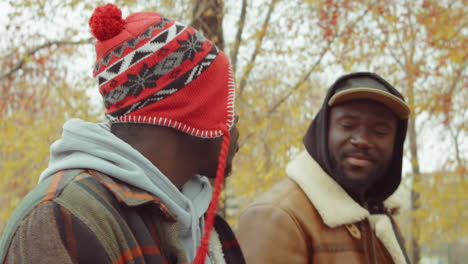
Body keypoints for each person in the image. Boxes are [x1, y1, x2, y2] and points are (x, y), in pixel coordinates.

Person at [0, 4, 245, 264]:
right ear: (191, 112)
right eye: (226, 104)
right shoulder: (61, 218)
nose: (236, 119)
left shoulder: (200, 219)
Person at [237, 72, 411, 264]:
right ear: (323, 131)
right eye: (347, 125)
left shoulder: (378, 215)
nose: (362, 140)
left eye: (380, 131)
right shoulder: (276, 216)